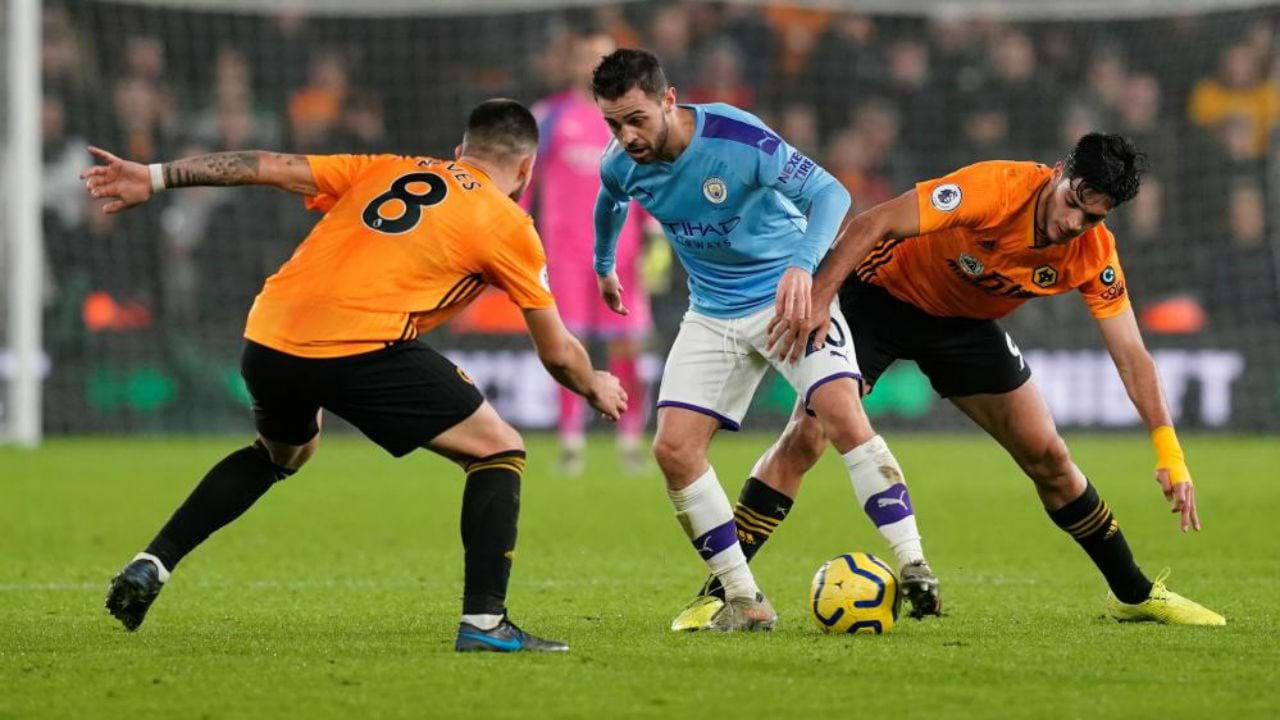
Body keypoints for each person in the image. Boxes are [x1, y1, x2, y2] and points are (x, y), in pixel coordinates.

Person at [83, 99, 629, 652]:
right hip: (357, 346)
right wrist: (595, 384)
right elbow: (557, 352)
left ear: (459, 152)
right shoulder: (508, 223)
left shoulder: (386, 167)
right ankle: (486, 624)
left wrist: (153, 177)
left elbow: (265, 164)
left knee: (282, 453)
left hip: (269, 333)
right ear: (527, 170)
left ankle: (154, 562)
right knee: (498, 449)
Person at [764, 133, 1225, 626]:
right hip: (879, 298)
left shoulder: (1093, 253)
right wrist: (818, 296)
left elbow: (1132, 355)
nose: (1074, 223)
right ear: (1057, 171)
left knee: (1049, 457)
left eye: (1092, 217)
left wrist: (1169, 451)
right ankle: (727, 591)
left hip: (963, 326)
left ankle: (1132, 595)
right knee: (808, 436)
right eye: (1072, 202)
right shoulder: (994, 189)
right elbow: (873, 222)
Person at [590, 49, 939, 633]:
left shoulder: (735, 136)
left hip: (787, 300)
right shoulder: (619, 162)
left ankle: (913, 563)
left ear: (668, 100)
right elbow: (610, 201)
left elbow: (830, 194)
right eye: (613, 124)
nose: (626, 136)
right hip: (712, 313)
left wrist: (805, 267)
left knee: (841, 416)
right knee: (672, 450)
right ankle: (745, 598)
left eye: (635, 119)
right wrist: (604, 264)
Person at [522, 32, 651, 476]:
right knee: (566, 343)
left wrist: (653, 233)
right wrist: (515, 231)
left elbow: (652, 178)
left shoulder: (631, 119)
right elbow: (525, 182)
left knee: (628, 346)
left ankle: (631, 439)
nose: (592, 65)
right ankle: (572, 441)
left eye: (602, 58)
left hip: (624, 251)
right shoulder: (549, 116)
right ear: (572, 63)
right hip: (565, 252)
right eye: (584, 57)